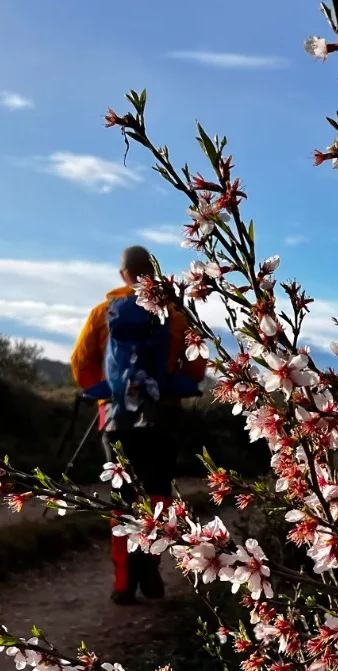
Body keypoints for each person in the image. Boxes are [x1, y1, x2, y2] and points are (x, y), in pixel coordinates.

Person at [71, 245, 207, 604]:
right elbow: (196, 369)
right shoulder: (176, 315)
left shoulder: (103, 313)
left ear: (124, 275)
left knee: (122, 496)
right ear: (155, 274)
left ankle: (123, 582)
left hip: (116, 418)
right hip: (164, 416)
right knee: (158, 491)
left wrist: (107, 392)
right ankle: (150, 563)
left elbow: (80, 365)